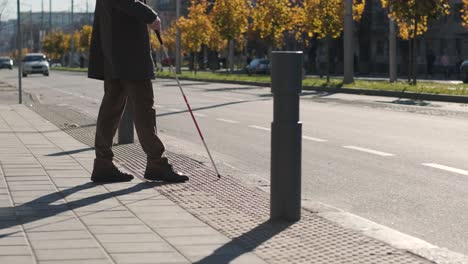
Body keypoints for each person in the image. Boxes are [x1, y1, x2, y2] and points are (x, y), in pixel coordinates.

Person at [88, 0, 189, 183]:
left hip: (114, 54)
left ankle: (103, 164)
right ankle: (156, 163)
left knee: (110, 111)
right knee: (143, 110)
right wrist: (150, 16)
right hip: (130, 56)